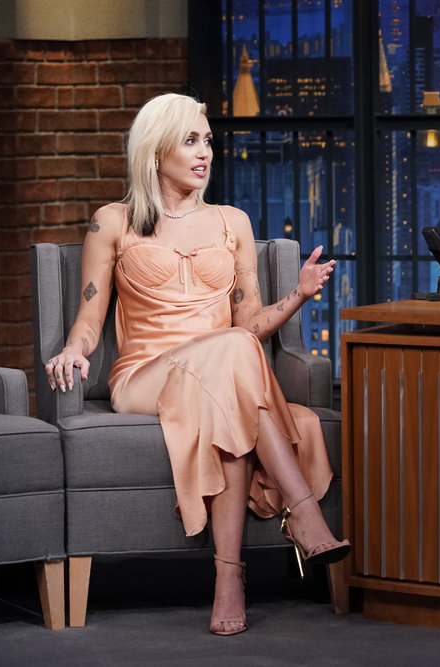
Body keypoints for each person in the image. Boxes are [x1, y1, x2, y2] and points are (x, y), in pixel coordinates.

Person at [43, 93, 349, 636]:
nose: (205, 152)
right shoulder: (112, 221)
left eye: (208, 140)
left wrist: (298, 296)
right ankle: (302, 511)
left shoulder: (233, 222)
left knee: (230, 374)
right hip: (145, 377)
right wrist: (74, 350)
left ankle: (229, 577)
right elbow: (89, 318)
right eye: (190, 141)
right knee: (232, 353)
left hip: (224, 374)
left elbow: (249, 324)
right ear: (155, 151)